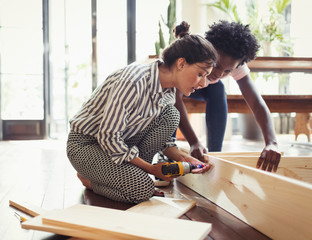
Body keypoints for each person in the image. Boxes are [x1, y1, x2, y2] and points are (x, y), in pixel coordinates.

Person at [66, 21, 215, 204]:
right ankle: (90, 180)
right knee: (143, 189)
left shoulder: (169, 93)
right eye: (201, 74)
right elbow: (108, 137)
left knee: (172, 115)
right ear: (181, 64)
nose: (203, 84)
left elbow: (165, 142)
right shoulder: (134, 81)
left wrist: (187, 160)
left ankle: (126, 176)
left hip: (122, 145)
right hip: (87, 145)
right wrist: (151, 169)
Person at [174, 20, 281, 172]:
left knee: (218, 88)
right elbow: (175, 100)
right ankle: (169, 147)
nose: (218, 73)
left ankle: (215, 153)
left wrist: (272, 143)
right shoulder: (194, 48)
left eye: (227, 71)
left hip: (205, 89)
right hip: (179, 86)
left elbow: (256, 103)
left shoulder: (234, 62)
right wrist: (194, 142)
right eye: (216, 65)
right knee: (168, 99)